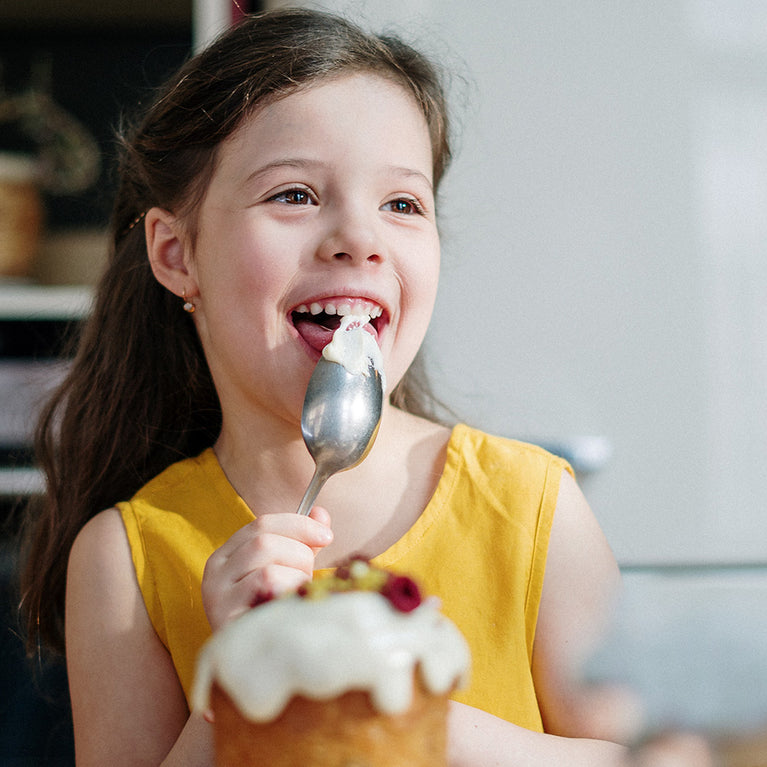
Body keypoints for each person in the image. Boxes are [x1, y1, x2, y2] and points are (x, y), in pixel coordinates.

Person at [19, 7, 687, 766]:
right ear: (176, 254)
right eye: (295, 195)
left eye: (401, 204)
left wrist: (429, 725)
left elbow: (657, 758)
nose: (360, 239)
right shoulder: (125, 559)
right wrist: (239, 686)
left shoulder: (530, 506)